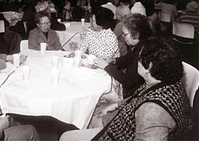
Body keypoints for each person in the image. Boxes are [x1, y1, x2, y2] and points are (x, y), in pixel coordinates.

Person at [60, 36, 195, 141]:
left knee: (66, 137)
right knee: (90, 108)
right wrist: (116, 104)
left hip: (120, 134)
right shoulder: (166, 81)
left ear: (149, 67)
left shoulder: (153, 112)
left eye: (139, 59)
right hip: (124, 117)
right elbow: (141, 95)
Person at [94, 13, 152, 98]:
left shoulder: (142, 52)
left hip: (134, 95)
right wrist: (113, 60)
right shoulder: (139, 45)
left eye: (125, 34)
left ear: (136, 34)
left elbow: (128, 81)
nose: (123, 37)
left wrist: (106, 67)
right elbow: (128, 58)